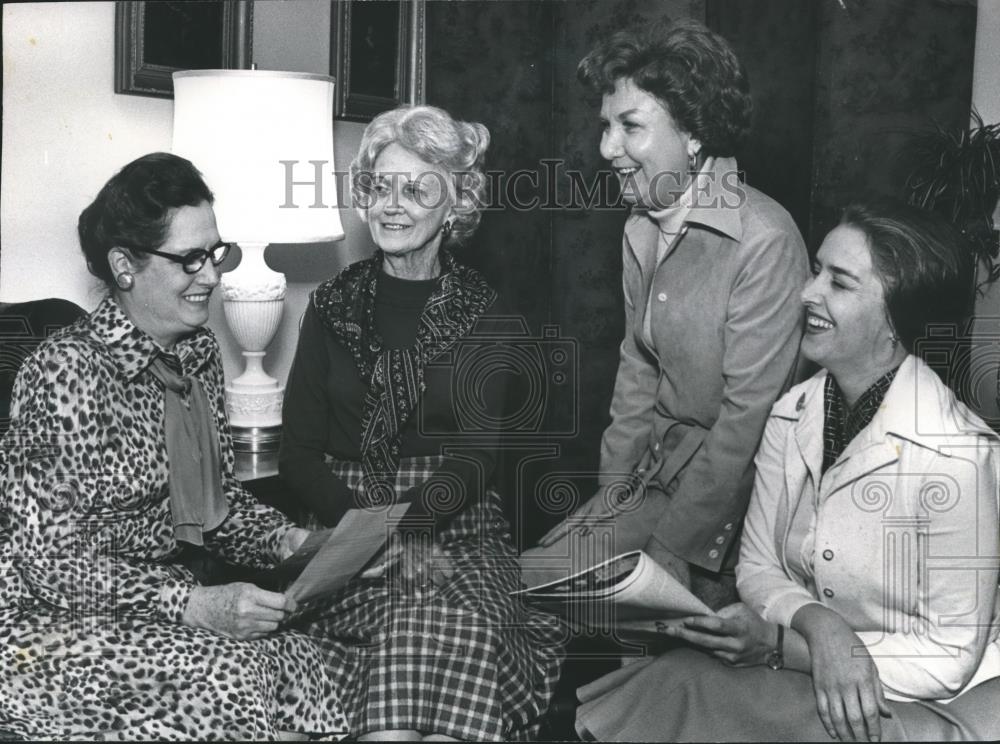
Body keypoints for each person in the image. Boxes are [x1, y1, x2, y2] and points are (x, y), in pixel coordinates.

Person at [574, 200, 1000, 742]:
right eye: (817, 270)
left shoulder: (957, 455)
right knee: (678, 680)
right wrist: (817, 625)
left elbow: (948, 658)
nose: (807, 292)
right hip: (821, 670)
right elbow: (756, 568)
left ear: (897, 319)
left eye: (839, 283)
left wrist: (787, 646)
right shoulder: (793, 411)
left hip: (932, 702)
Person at [0, 152, 348, 740]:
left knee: (313, 662)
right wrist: (191, 604)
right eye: (189, 259)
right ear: (125, 266)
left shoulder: (197, 355)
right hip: (45, 626)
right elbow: (52, 564)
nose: (211, 276)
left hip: (150, 609)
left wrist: (291, 540)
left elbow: (218, 503)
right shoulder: (64, 373)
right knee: (237, 677)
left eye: (215, 253)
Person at [279, 105, 565, 741]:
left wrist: (407, 527)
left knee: (445, 628)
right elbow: (297, 453)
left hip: (462, 530)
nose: (391, 205)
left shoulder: (485, 313)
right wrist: (372, 534)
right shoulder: (330, 306)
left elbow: (473, 460)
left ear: (456, 202)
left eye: (416, 189)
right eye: (380, 187)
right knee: (418, 628)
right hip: (344, 531)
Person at [524, 20, 810, 608]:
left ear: (695, 135)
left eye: (630, 126)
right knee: (529, 586)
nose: (607, 148)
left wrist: (670, 551)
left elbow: (745, 424)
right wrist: (610, 498)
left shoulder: (765, 239)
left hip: (735, 505)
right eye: (606, 125)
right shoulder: (640, 227)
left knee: (547, 601)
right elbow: (639, 371)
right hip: (654, 480)